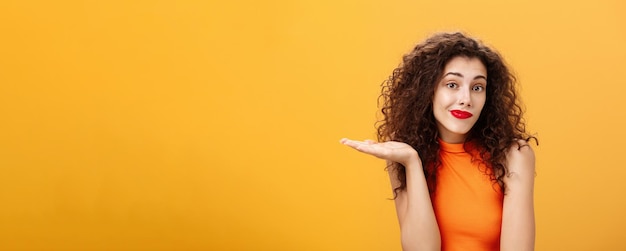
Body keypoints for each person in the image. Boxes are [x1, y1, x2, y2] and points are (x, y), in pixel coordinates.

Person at [340, 32, 537, 251]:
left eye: (477, 87)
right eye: (452, 85)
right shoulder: (404, 154)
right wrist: (411, 162)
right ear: (427, 90)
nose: (466, 99)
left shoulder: (513, 155)